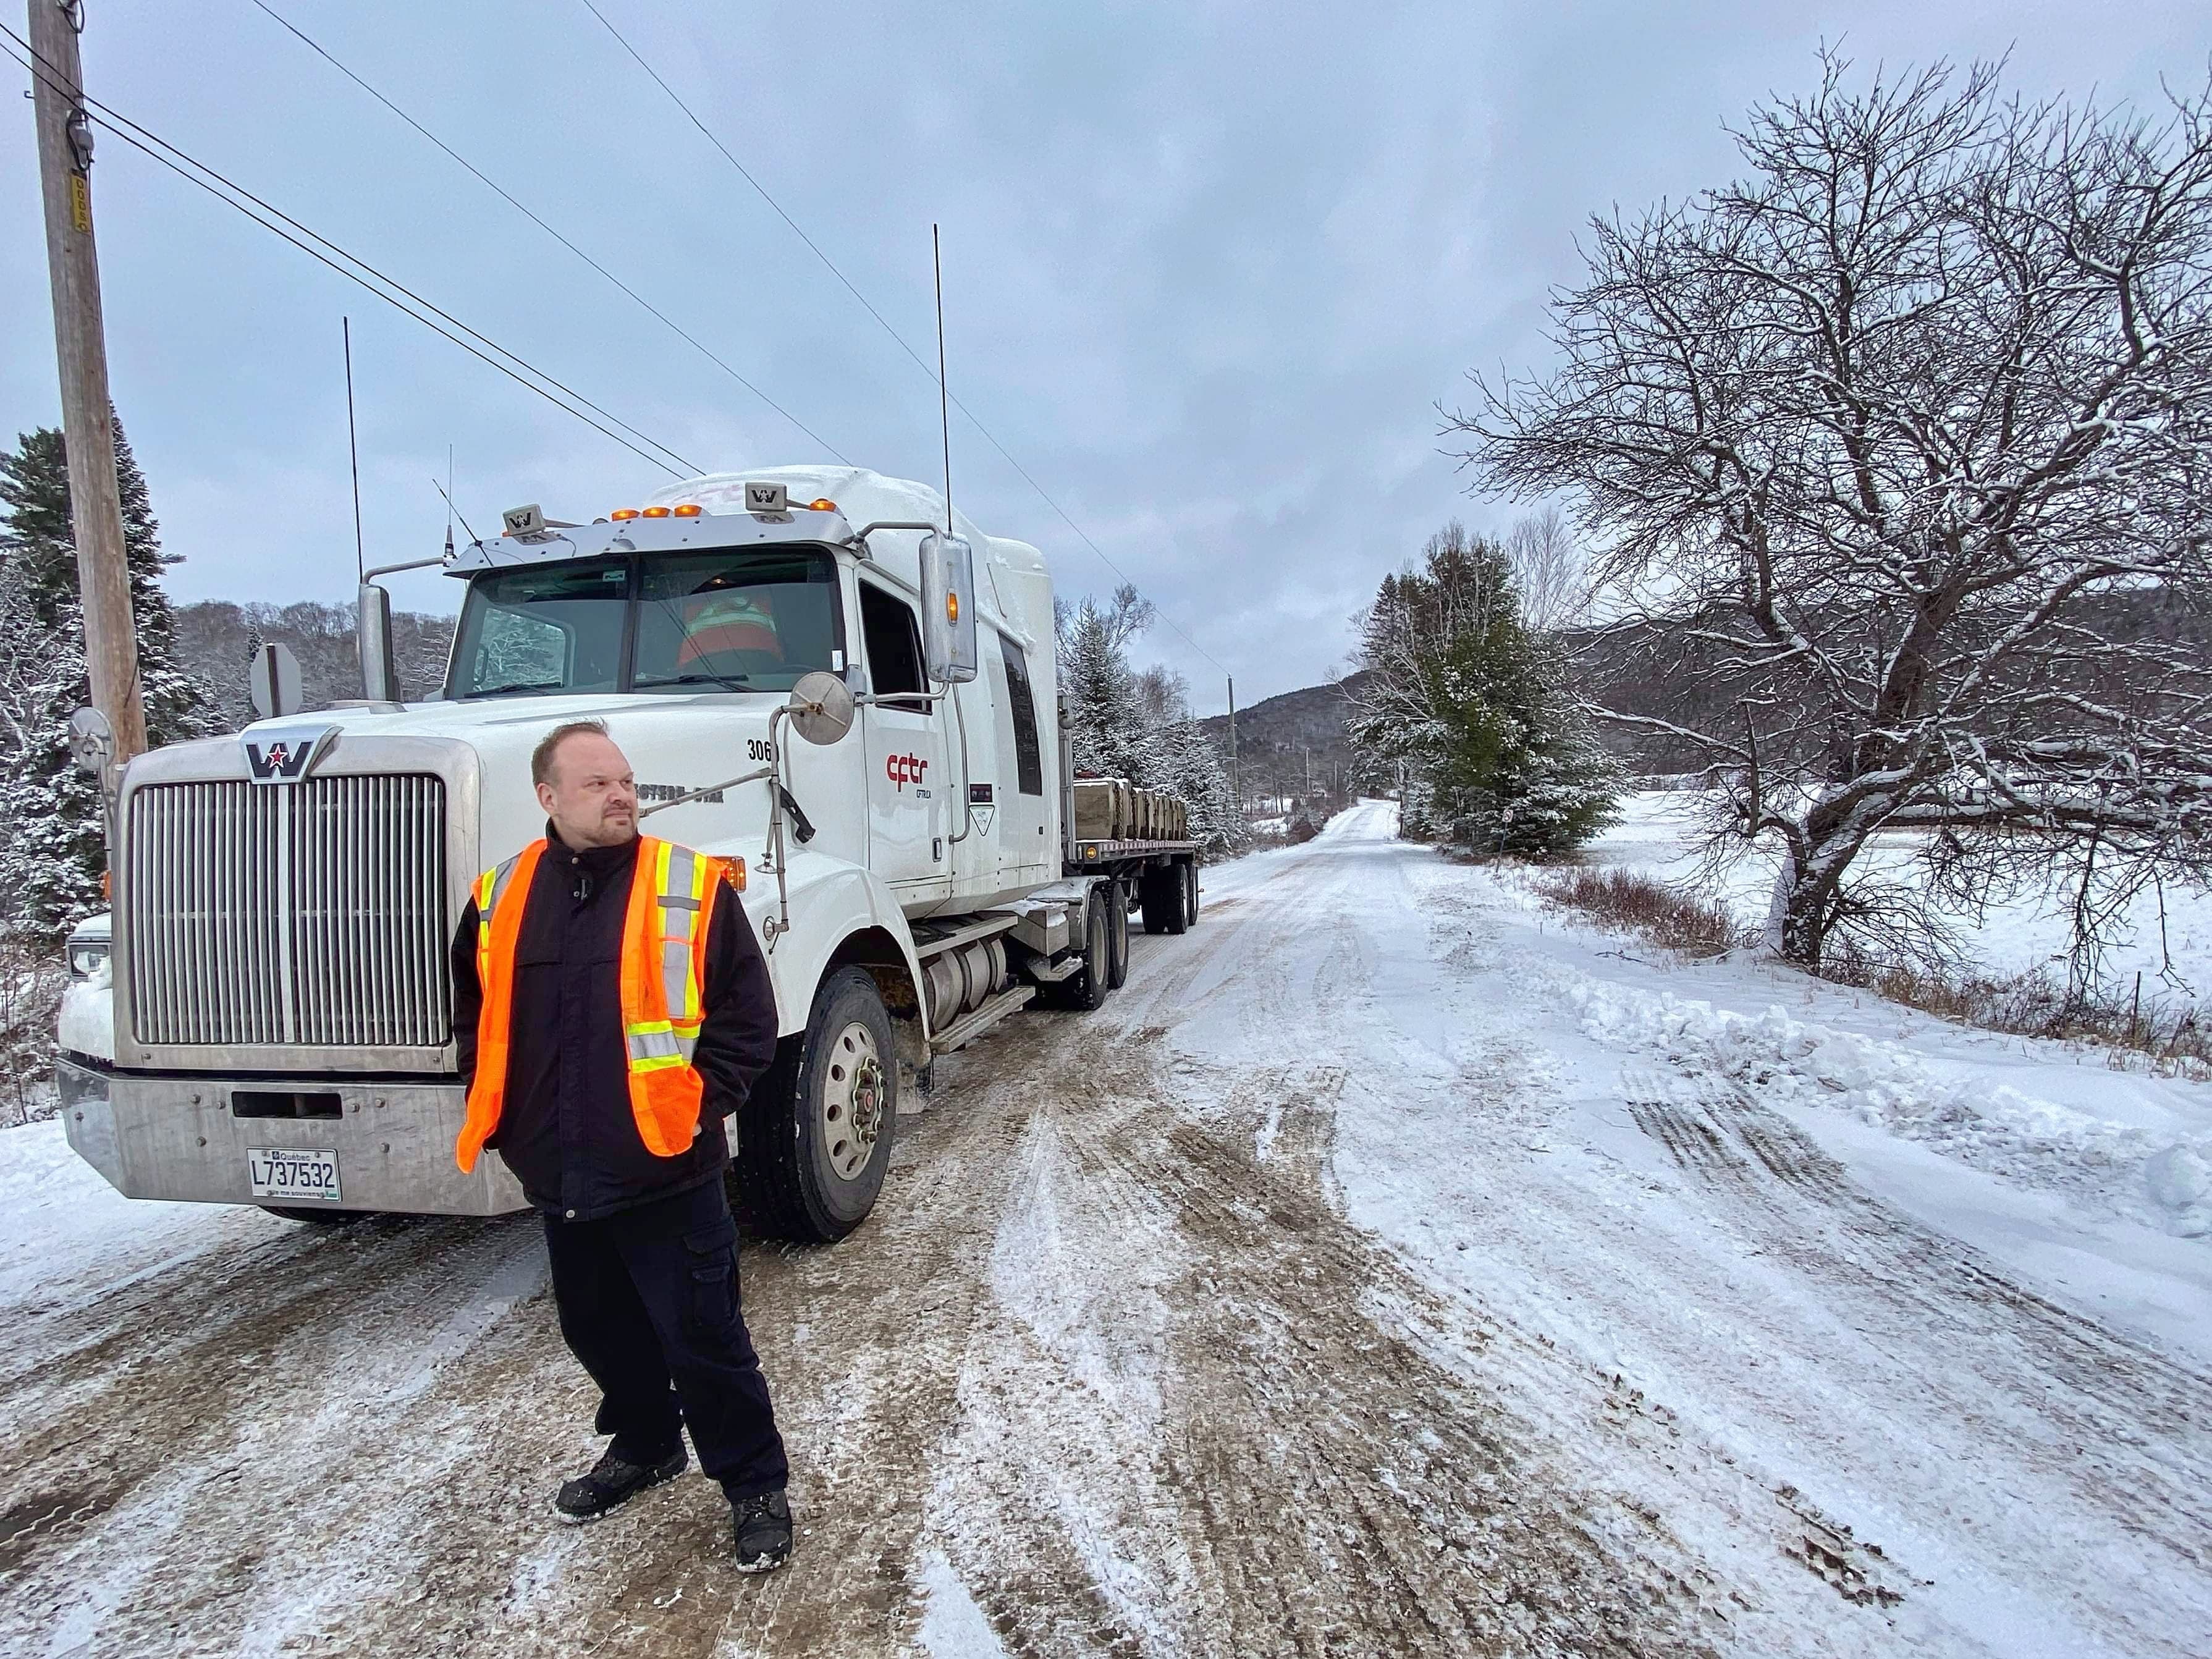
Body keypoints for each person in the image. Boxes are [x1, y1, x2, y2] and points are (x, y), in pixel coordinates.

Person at [450, 718, 795, 1572]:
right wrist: (502, 1116)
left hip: (669, 1168)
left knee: (705, 1337)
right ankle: (646, 1445)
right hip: (560, 1171)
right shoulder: (498, 897)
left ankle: (754, 1483)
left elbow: (749, 1020)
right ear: (548, 797)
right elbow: (474, 1014)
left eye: (627, 782)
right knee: (597, 1328)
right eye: (598, 783)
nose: (620, 796)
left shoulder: (687, 885)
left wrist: (694, 1104)